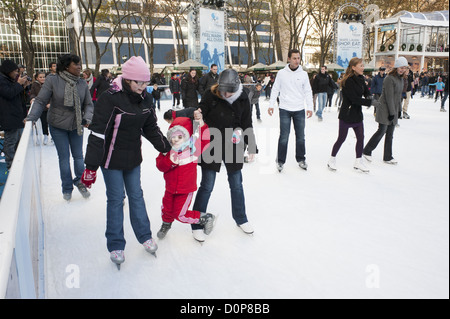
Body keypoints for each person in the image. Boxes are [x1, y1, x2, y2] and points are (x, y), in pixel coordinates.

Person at [81, 56, 172, 269]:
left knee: (137, 196)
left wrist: (166, 148)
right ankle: (115, 244)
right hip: (110, 159)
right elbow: (98, 134)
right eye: (138, 82)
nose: (142, 86)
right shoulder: (110, 98)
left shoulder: (146, 99)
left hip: (132, 157)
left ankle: (144, 235)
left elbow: (150, 128)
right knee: (115, 199)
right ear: (128, 79)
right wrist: (90, 167)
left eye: (145, 82)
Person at [191, 68, 258, 242]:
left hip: (233, 144)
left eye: (229, 91)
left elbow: (247, 123)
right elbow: (200, 113)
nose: (226, 94)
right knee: (207, 184)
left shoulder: (243, 97)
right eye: (223, 90)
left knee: (236, 183)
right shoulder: (210, 94)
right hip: (211, 143)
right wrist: (198, 115)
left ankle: (241, 218)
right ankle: (196, 222)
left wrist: (251, 146)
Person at [27, 54, 93, 201]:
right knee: (64, 158)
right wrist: (32, 117)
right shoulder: (53, 80)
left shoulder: (81, 83)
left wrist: (87, 118)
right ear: (66, 66)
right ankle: (67, 188)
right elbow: (40, 101)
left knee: (78, 156)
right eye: (75, 64)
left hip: (76, 124)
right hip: (57, 125)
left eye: (79, 64)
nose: (79, 66)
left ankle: (80, 182)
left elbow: (88, 104)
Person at [156, 116, 214, 240]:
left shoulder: (193, 150)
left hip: (185, 190)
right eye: (173, 136)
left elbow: (205, 140)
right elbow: (160, 166)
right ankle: (166, 224)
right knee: (166, 209)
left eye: (180, 137)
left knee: (180, 215)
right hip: (170, 188)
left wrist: (202, 125)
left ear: (187, 136)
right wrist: (169, 161)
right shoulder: (167, 151)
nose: (176, 140)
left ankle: (205, 218)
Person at [327, 57, 377, 173]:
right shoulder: (348, 81)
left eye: (363, 65)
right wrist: (369, 102)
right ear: (353, 67)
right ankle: (332, 159)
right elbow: (354, 99)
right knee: (341, 138)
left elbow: (365, 90)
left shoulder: (361, 78)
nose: (363, 67)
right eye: (361, 65)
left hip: (357, 114)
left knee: (360, 137)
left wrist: (369, 96)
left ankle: (358, 161)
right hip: (347, 114)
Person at [268, 49, 313, 172]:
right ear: (288, 59)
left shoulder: (303, 74)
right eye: (294, 58)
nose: (297, 60)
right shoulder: (282, 73)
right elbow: (275, 89)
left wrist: (310, 107)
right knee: (284, 136)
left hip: (299, 109)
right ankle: (280, 161)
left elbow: (308, 91)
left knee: (300, 137)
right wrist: (271, 104)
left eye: (298, 58)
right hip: (285, 109)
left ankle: (301, 159)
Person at [363, 57, 408, 165]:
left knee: (390, 133)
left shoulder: (401, 79)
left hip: (394, 108)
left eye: (404, 68)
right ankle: (367, 150)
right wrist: (392, 112)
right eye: (401, 67)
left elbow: (398, 97)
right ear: (396, 67)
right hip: (385, 108)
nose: (402, 70)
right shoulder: (389, 78)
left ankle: (388, 156)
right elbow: (389, 97)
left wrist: (399, 110)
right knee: (382, 130)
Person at [0, 59, 30, 170]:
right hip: (9, 117)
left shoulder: (10, 80)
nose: (17, 73)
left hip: (16, 117)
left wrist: (23, 87)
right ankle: (11, 167)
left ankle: (17, 164)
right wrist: (18, 84)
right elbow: (9, 93)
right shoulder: (2, 80)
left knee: (17, 142)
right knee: (10, 143)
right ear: (8, 70)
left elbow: (18, 97)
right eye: (15, 71)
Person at [29, 71, 53, 145]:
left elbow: (54, 95)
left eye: (44, 77)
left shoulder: (49, 84)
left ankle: (53, 137)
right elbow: (32, 93)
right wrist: (32, 98)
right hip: (42, 108)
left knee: (52, 123)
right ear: (37, 78)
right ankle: (45, 135)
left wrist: (50, 103)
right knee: (44, 122)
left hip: (50, 107)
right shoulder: (34, 85)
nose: (43, 79)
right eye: (40, 77)